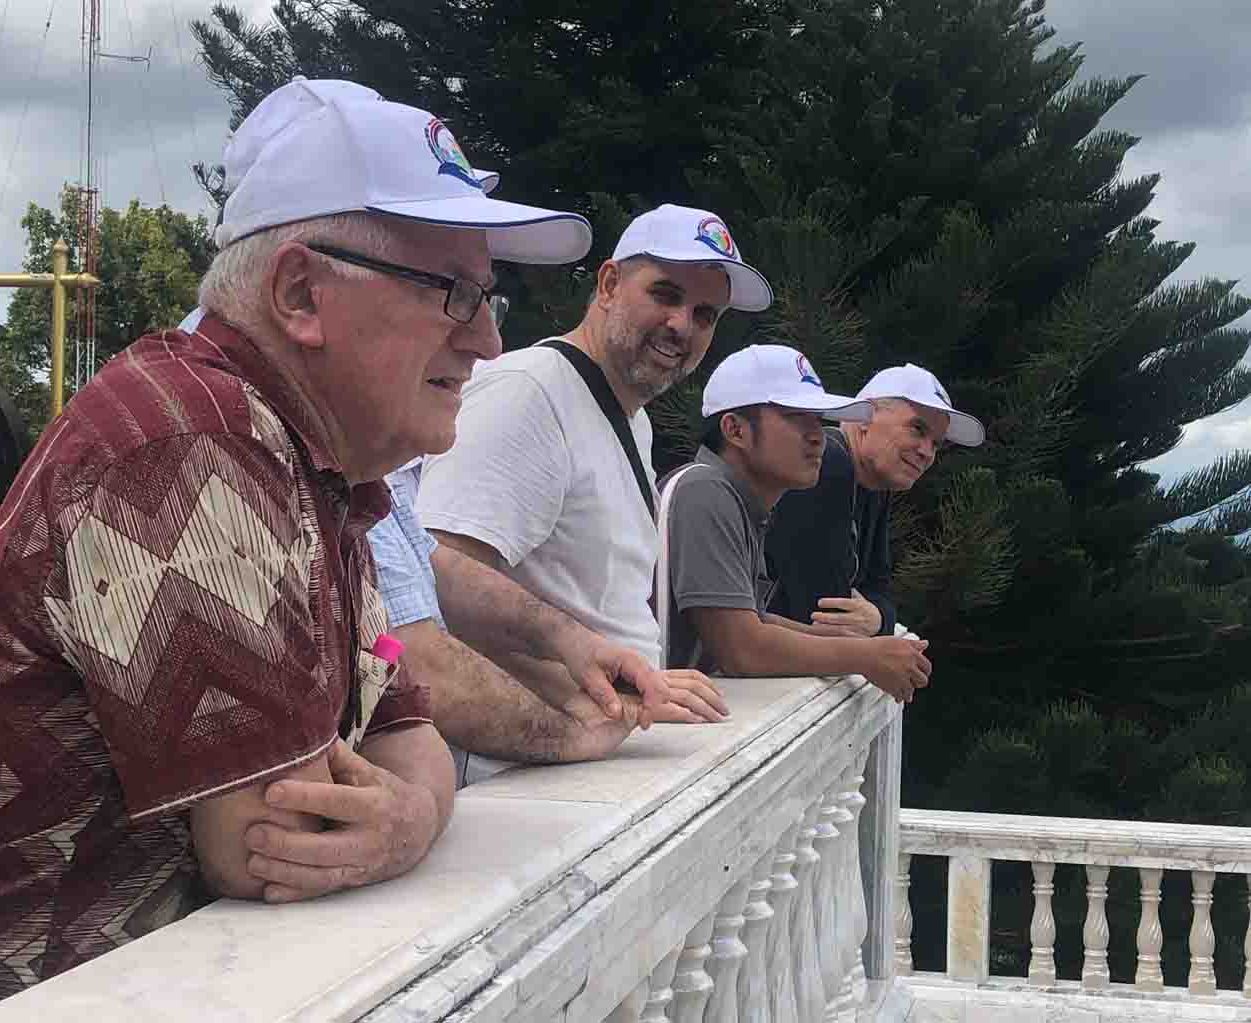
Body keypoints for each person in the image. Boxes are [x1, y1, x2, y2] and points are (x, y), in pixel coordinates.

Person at [0, 78, 597, 1020]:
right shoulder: (182, 441)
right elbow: (274, 842)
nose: (489, 341)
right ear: (300, 293)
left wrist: (414, 810)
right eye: (454, 294)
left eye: (488, 297)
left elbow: (408, 729)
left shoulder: (320, 471)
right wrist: (412, 805)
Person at [416, 203, 769, 711]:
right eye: (665, 295)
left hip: (601, 737)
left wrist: (637, 689)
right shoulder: (528, 391)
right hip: (529, 751)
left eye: (704, 315)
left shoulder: (631, 420)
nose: (682, 325)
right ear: (608, 285)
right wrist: (612, 692)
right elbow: (438, 577)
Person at [370, 460, 725, 786]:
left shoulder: (378, 479)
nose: (461, 404)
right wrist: (569, 734)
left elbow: (434, 563)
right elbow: (420, 662)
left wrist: (572, 641)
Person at [658, 345, 932, 701]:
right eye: (796, 417)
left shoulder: (738, 502)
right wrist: (866, 655)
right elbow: (740, 648)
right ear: (735, 430)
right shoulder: (704, 491)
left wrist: (856, 643)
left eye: (818, 419)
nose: (818, 435)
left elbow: (754, 620)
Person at [764, 363, 986, 637]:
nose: (927, 452)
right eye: (917, 429)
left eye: (936, 443)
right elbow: (824, 614)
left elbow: (880, 590)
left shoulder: (874, 484)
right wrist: (881, 621)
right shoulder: (827, 465)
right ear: (865, 419)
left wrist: (880, 618)